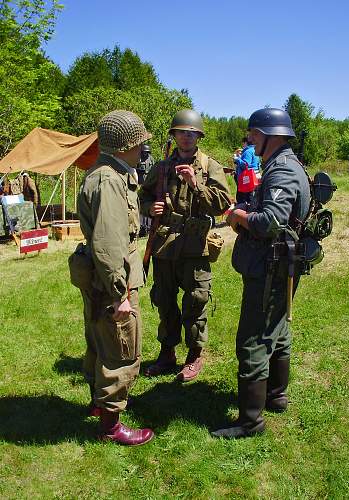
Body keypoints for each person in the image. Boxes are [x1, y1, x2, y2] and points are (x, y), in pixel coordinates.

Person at [212, 108, 311, 439]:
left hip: (270, 267)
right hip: (282, 264)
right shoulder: (286, 165)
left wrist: (239, 217)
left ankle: (250, 422)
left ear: (273, 135)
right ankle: (276, 395)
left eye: (255, 134)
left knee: (253, 340)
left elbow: (270, 221)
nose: (250, 140)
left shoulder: (282, 169)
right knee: (278, 330)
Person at [76, 110, 154, 445]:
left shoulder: (105, 173)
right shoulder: (110, 179)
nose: (143, 149)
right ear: (125, 145)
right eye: (139, 143)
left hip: (99, 279)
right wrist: (120, 293)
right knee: (121, 351)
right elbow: (109, 243)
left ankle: (99, 405)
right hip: (112, 283)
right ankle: (110, 426)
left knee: (100, 341)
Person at [139, 109, 231, 382]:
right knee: (165, 300)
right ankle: (167, 353)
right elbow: (141, 196)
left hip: (195, 244)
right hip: (165, 244)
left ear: (198, 136)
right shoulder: (162, 167)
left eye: (191, 133)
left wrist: (195, 184)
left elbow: (223, 203)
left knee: (196, 299)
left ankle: (194, 355)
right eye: (182, 132)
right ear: (174, 135)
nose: (186, 137)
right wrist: (149, 207)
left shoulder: (210, 166)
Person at [233, 137, 260, 204]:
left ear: (245, 143)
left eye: (243, 143)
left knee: (243, 197)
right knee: (251, 196)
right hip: (254, 176)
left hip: (247, 178)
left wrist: (237, 159)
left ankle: (241, 211)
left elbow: (245, 165)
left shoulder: (248, 151)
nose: (242, 145)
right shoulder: (254, 150)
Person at [138, 144, 154, 237]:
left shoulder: (151, 159)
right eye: (144, 152)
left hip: (149, 180)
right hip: (139, 181)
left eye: (146, 153)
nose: (145, 154)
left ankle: (147, 227)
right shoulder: (138, 158)